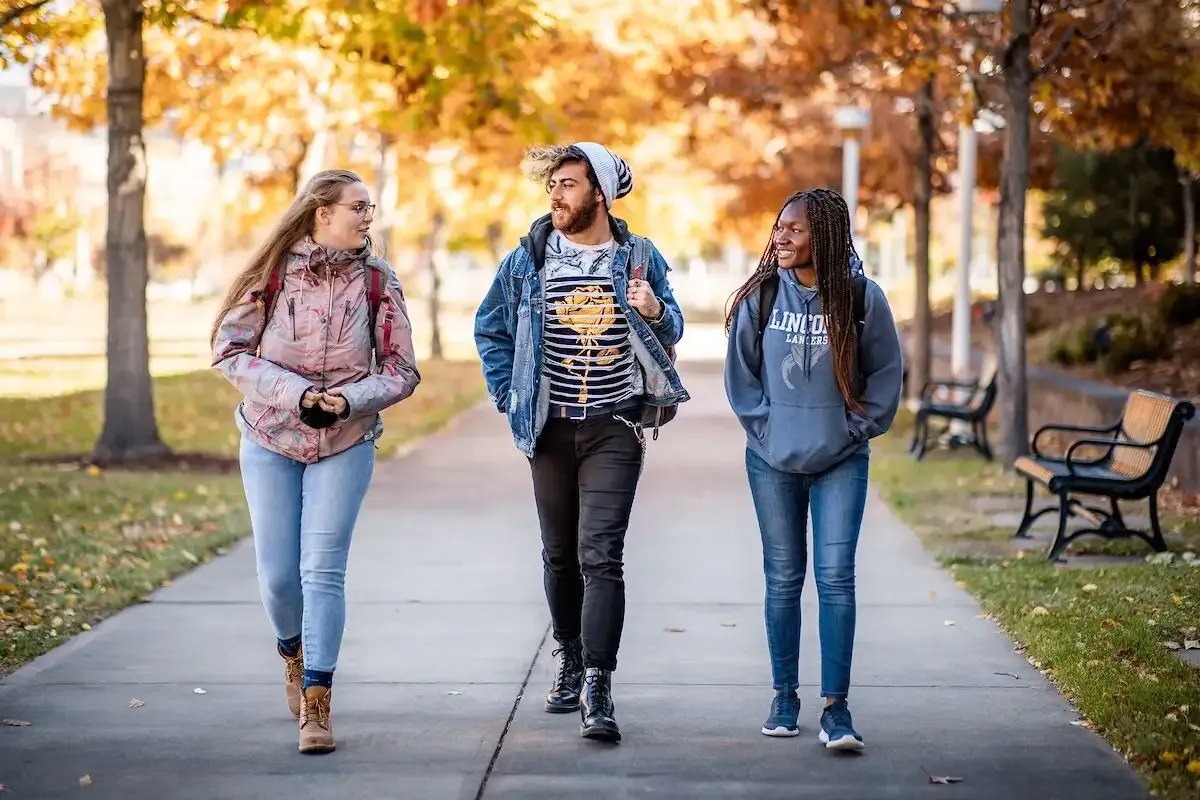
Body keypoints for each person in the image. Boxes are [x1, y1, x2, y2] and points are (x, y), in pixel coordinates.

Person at [473, 143, 689, 743]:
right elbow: (489, 327)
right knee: (559, 555)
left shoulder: (640, 256)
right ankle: (568, 656)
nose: (556, 196)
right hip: (549, 425)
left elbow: (672, 327)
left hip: (615, 424)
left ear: (600, 193)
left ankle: (599, 684)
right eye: (553, 186)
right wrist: (508, 395)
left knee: (602, 555)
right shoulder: (528, 258)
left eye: (568, 185)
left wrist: (655, 310)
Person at [210, 169, 420, 754]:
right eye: (358, 205)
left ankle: (317, 703)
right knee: (279, 577)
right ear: (322, 212)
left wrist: (347, 401)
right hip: (269, 436)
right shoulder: (271, 275)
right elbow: (228, 352)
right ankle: (292, 651)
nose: (368, 214)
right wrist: (295, 395)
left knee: (321, 570)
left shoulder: (378, 281)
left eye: (370, 206)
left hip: (345, 441)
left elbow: (403, 371)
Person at [723, 188, 903, 751]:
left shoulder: (859, 297)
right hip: (771, 461)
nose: (781, 236)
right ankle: (783, 696)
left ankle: (836, 708)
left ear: (822, 236)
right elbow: (742, 377)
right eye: (779, 227)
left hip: (841, 462)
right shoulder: (763, 295)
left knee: (836, 578)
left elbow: (886, 373)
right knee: (782, 579)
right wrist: (768, 431)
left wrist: (854, 430)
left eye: (794, 230)